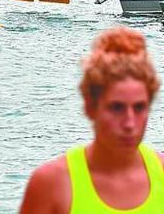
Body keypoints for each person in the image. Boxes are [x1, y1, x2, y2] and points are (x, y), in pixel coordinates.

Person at [20, 27, 164, 214]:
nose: (130, 124)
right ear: (90, 107)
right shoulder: (52, 184)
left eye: (139, 108)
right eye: (116, 108)